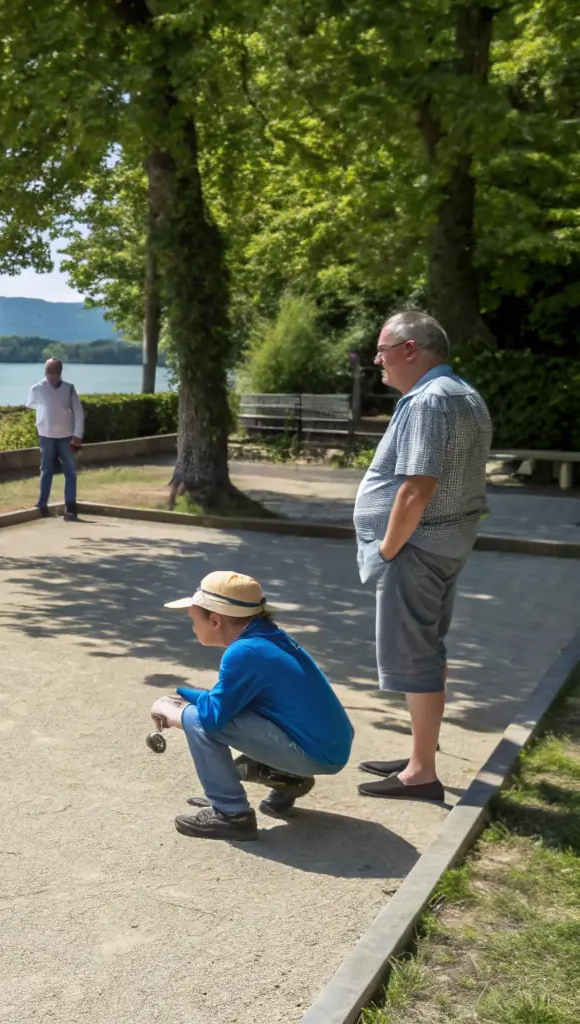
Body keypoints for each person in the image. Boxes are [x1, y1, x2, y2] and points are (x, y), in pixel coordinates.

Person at [353, 311, 491, 802]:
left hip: (419, 547)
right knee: (426, 650)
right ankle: (419, 756)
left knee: (417, 656)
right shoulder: (461, 392)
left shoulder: (429, 402)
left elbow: (416, 487)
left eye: (383, 350)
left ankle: (421, 774)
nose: (377, 360)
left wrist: (387, 549)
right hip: (446, 542)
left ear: (411, 349)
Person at [150, 571, 354, 841]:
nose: (192, 627)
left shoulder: (244, 652)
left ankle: (231, 814)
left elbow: (210, 719)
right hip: (327, 746)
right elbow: (228, 699)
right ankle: (287, 777)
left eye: (193, 618)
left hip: (313, 752)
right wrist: (187, 695)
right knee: (212, 709)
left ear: (214, 620)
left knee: (196, 719)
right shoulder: (266, 639)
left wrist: (171, 710)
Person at [25, 357, 85, 521]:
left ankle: (70, 507)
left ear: (60, 372)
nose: (51, 376)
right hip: (46, 436)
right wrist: (41, 422)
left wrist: (77, 435)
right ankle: (42, 503)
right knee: (46, 470)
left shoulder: (69, 389)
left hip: (66, 437)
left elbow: (78, 412)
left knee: (70, 472)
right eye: (47, 372)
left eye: (54, 372)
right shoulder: (37, 389)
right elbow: (31, 406)